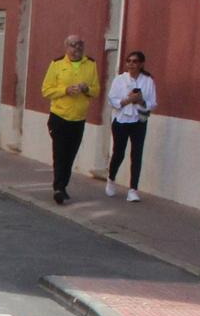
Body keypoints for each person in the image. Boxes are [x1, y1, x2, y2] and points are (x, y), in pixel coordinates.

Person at [39, 34, 99, 204]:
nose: (76, 48)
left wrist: (87, 89)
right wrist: (65, 90)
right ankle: (58, 188)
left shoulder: (91, 64)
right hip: (59, 116)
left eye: (80, 45)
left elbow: (96, 90)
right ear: (66, 47)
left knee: (70, 154)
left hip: (78, 118)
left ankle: (63, 185)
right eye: (73, 45)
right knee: (60, 153)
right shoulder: (57, 64)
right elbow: (46, 90)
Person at [105, 51, 155, 204]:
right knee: (119, 152)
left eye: (135, 61)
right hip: (121, 121)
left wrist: (140, 101)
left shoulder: (148, 81)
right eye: (129, 61)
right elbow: (112, 99)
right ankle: (111, 178)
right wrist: (127, 100)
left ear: (141, 64)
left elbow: (152, 102)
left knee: (137, 154)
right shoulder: (120, 80)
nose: (131, 64)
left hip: (139, 121)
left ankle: (133, 189)